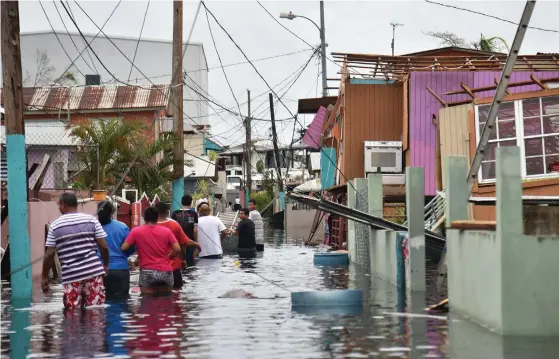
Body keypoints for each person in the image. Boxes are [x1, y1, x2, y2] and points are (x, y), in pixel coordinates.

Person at [42, 192, 110, 310]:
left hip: (71, 276)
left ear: (63, 204)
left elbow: (49, 254)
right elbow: (104, 247)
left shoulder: (55, 226)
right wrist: (105, 265)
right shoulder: (91, 220)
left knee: (72, 314)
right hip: (93, 272)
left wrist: (44, 277)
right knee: (95, 311)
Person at [121, 206, 181, 294]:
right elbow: (177, 249)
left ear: (144, 218)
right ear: (157, 218)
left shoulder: (136, 231)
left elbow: (124, 248)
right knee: (166, 301)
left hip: (146, 271)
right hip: (165, 271)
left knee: (147, 302)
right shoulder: (167, 231)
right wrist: (170, 255)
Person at [154, 202, 200, 289]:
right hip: (172, 267)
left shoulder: (146, 227)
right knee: (175, 295)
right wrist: (196, 244)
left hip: (150, 269)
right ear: (167, 212)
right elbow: (184, 243)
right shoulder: (174, 225)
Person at [97, 200, 134, 299]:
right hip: (120, 270)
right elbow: (131, 246)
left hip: (98, 270)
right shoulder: (122, 227)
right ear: (112, 212)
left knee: (99, 302)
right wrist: (124, 256)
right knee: (121, 302)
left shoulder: (93, 227)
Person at [171, 194, 198, 267]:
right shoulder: (194, 214)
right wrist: (195, 243)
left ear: (181, 202)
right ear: (190, 203)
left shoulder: (175, 213)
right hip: (189, 241)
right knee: (190, 264)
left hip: (177, 242)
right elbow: (195, 230)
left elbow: (172, 229)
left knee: (178, 262)